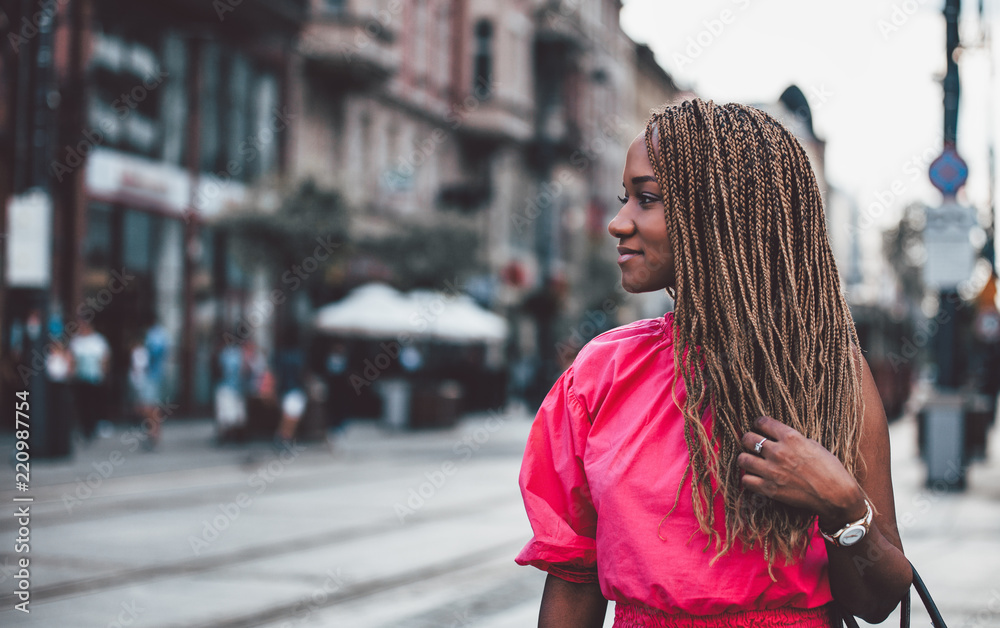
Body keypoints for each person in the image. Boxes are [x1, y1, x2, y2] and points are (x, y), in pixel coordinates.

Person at [516, 99, 913, 627]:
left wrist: (843, 508)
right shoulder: (600, 374)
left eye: (646, 199)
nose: (617, 223)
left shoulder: (829, 372)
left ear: (720, 213)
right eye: (623, 199)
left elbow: (878, 602)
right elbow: (573, 584)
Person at [69, 319, 111, 441]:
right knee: (83, 404)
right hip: (81, 378)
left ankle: (93, 427)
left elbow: (105, 358)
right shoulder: (77, 341)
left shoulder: (98, 340)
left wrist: (104, 373)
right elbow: (72, 359)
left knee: (94, 403)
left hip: (95, 377)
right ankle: (85, 428)